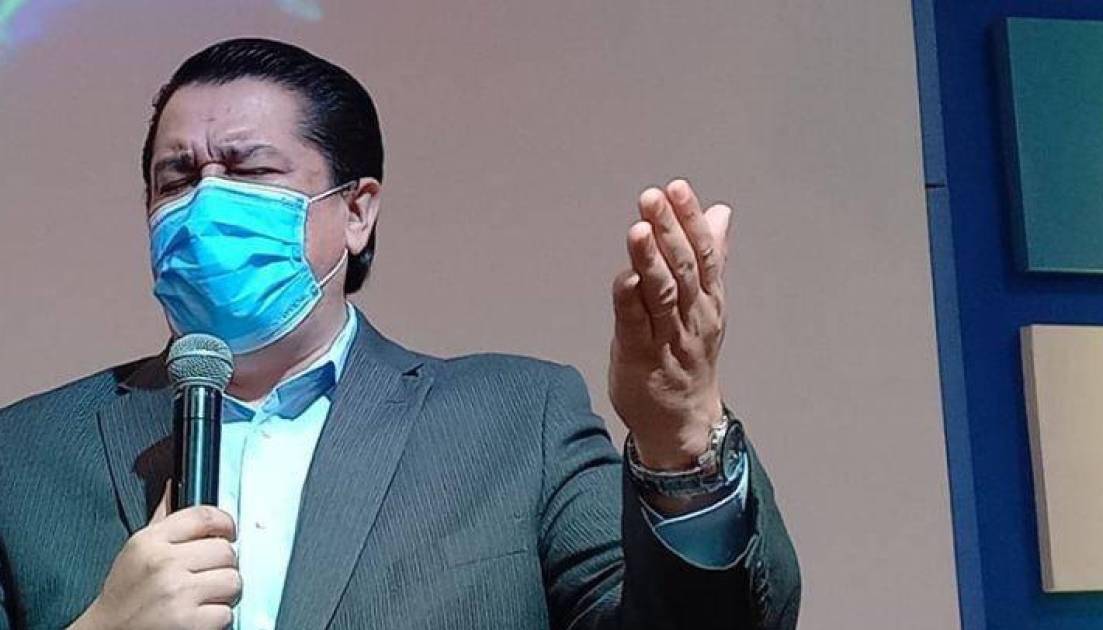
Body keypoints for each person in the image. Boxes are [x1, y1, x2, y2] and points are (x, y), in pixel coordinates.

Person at [0, 38, 800, 630]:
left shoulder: (515, 421)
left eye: (248, 171)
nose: (206, 203)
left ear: (356, 211)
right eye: (176, 178)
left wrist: (679, 438)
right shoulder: (25, 455)